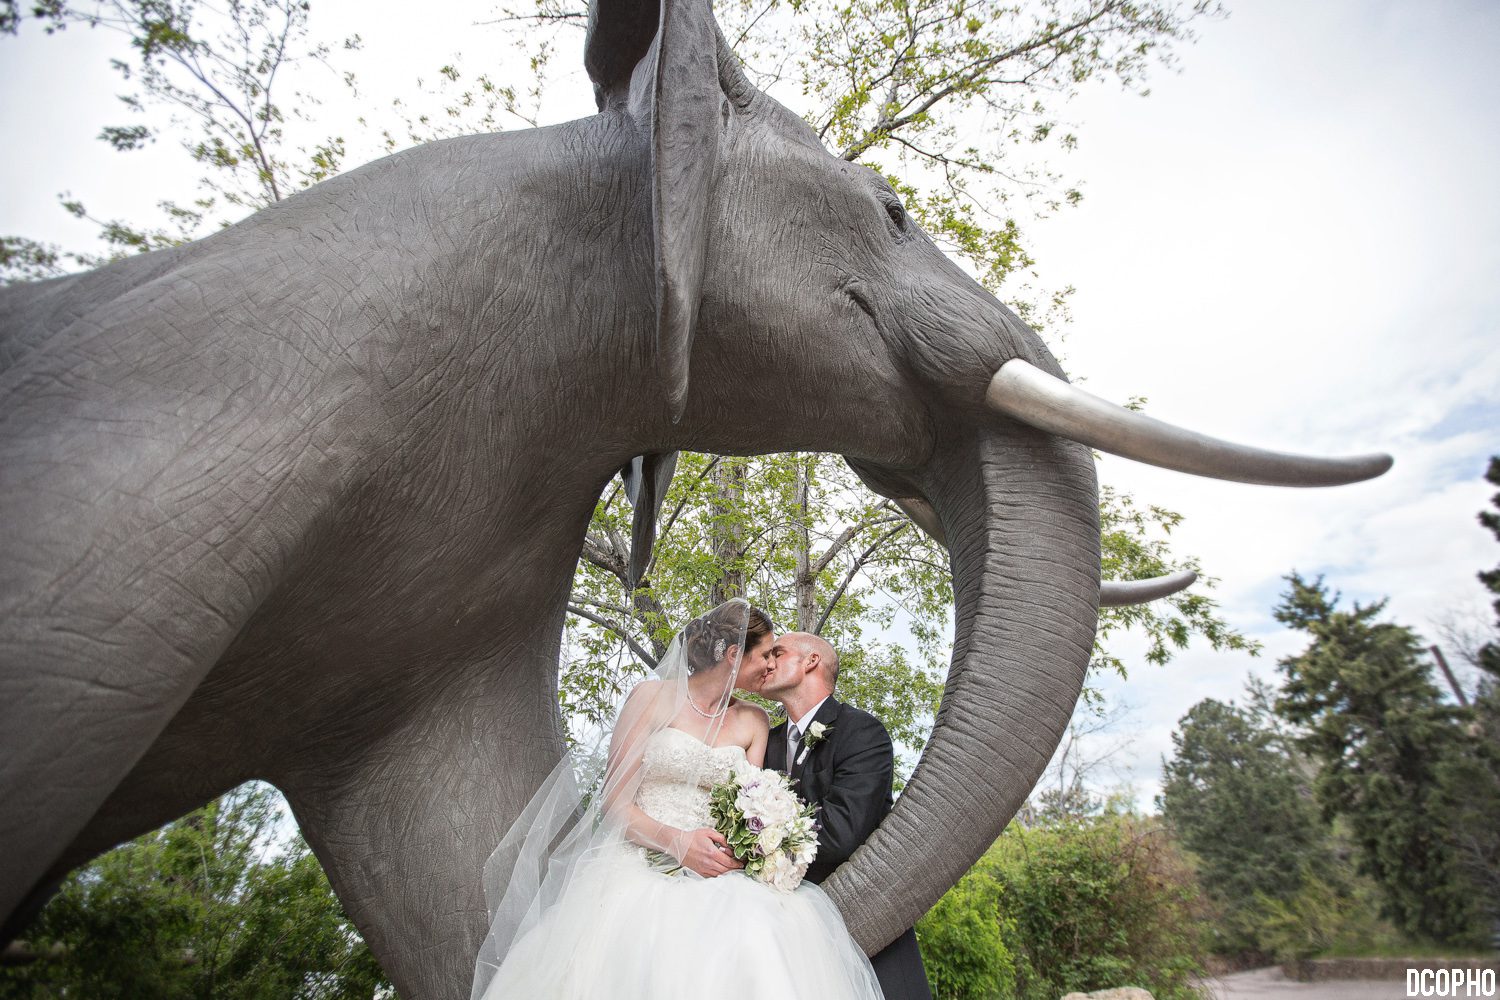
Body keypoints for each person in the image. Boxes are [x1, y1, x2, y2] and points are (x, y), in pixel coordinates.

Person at [470, 600, 883, 1000]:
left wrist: (741, 848)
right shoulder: (651, 698)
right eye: (765, 655)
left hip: (719, 874)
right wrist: (678, 843)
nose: (769, 666)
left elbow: (750, 804)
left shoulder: (755, 720)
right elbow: (614, 802)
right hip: (638, 866)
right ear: (734, 655)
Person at [762, 632, 933, 1000]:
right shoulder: (765, 742)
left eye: (778, 652)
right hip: (782, 940)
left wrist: (758, 840)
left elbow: (841, 833)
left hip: (862, 926)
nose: (767, 661)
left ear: (811, 661)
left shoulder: (861, 732)